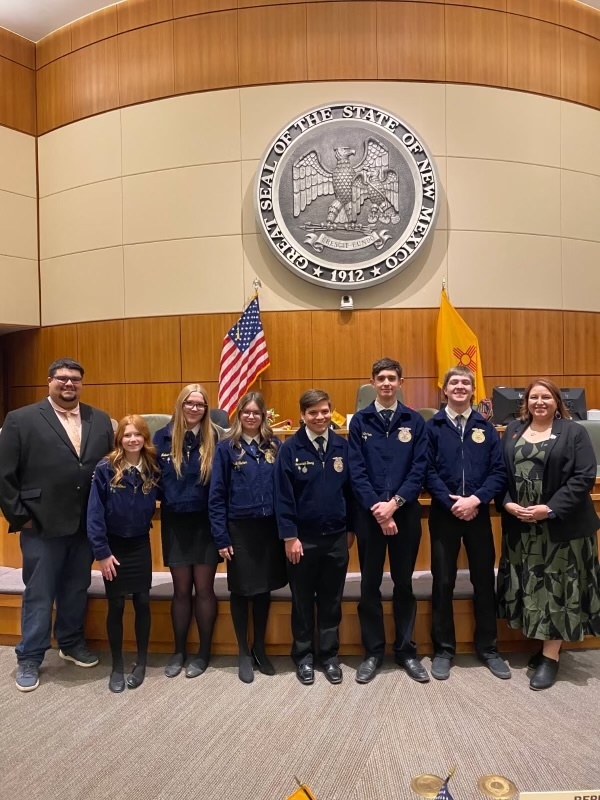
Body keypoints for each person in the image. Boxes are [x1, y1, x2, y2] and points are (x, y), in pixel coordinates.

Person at [0, 358, 114, 692]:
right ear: (49, 381)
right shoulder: (21, 420)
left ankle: (70, 641)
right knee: (39, 592)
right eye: (62, 379)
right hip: (41, 523)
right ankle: (30, 657)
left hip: (85, 523)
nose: (69, 385)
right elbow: (4, 475)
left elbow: (107, 466)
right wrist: (21, 517)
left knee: (76, 587)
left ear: (82, 383)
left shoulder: (100, 419)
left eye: (75, 380)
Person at [497, 378, 600, 690]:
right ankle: (542, 644)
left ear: (558, 402)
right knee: (531, 584)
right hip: (523, 527)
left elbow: (584, 476)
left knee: (558, 587)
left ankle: (551, 656)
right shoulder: (513, 430)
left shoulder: (574, 432)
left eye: (546, 397)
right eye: (533, 397)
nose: (539, 402)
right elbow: (501, 473)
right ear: (525, 402)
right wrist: (508, 504)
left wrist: (550, 508)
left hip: (561, 528)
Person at [426, 366, 509, 681]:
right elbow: (426, 470)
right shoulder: (431, 426)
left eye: (465, 383)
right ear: (444, 389)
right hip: (444, 516)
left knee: (484, 582)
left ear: (473, 390)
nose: (459, 387)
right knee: (443, 582)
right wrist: (452, 503)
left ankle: (488, 649)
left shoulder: (486, 428)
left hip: (478, 516)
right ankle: (444, 650)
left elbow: (498, 471)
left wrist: (475, 500)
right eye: (454, 382)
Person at [348, 357, 429, 684]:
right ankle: (373, 652)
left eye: (391, 378)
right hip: (369, 517)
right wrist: (378, 509)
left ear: (400, 382)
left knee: (404, 584)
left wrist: (393, 505)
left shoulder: (414, 420)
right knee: (369, 585)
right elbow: (356, 471)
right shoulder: (359, 422)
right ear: (372, 381)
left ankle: (406, 650)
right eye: (380, 378)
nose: (386, 383)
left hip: (405, 514)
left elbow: (419, 469)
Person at [274, 389, 354, 685]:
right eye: (312, 413)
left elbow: (351, 492)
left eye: (324, 411)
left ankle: (329, 657)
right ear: (302, 416)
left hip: (336, 538)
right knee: (303, 601)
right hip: (301, 541)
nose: (319, 417)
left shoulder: (342, 446)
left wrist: (351, 530)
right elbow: (282, 497)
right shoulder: (290, 449)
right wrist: (289, 537)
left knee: (332, 601)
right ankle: (304, 657)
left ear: (331, 412)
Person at [209, 392, 287, 683]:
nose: (252, 417)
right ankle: (242, 650)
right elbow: (216, 495)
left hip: (268, 530)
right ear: (238, 415)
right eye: (247, 412)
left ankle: (260, 648)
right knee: (241, 591)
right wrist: (221, 536)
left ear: (263, 415)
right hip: (239, 530)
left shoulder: (275, 445)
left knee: (264, 590)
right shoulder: (226, 448)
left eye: (257, 412)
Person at [87, 416, 160, 693]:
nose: (132, 440)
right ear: (120, 439)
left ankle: (140, 662)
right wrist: (102, 553)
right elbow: (94, 514)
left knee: (142, 602)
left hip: (140, 543)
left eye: (137, 435)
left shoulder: (152, 467)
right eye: (127, 435)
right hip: (113, 548)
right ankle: (117, 665)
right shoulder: (106, 468)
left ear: (144, 438)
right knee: (116, 605)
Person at [154, 384, 221, 679]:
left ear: (207, 409)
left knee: (204, 589)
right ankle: (179, 650)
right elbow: (152, 478)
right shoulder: (163, 437)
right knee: (181, 590)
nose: (195, 409)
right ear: (180, 405)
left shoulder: (216, 437)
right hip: (176, 524)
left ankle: (203, 651)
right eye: (190, 404)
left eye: (201, 405)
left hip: (207, 524)